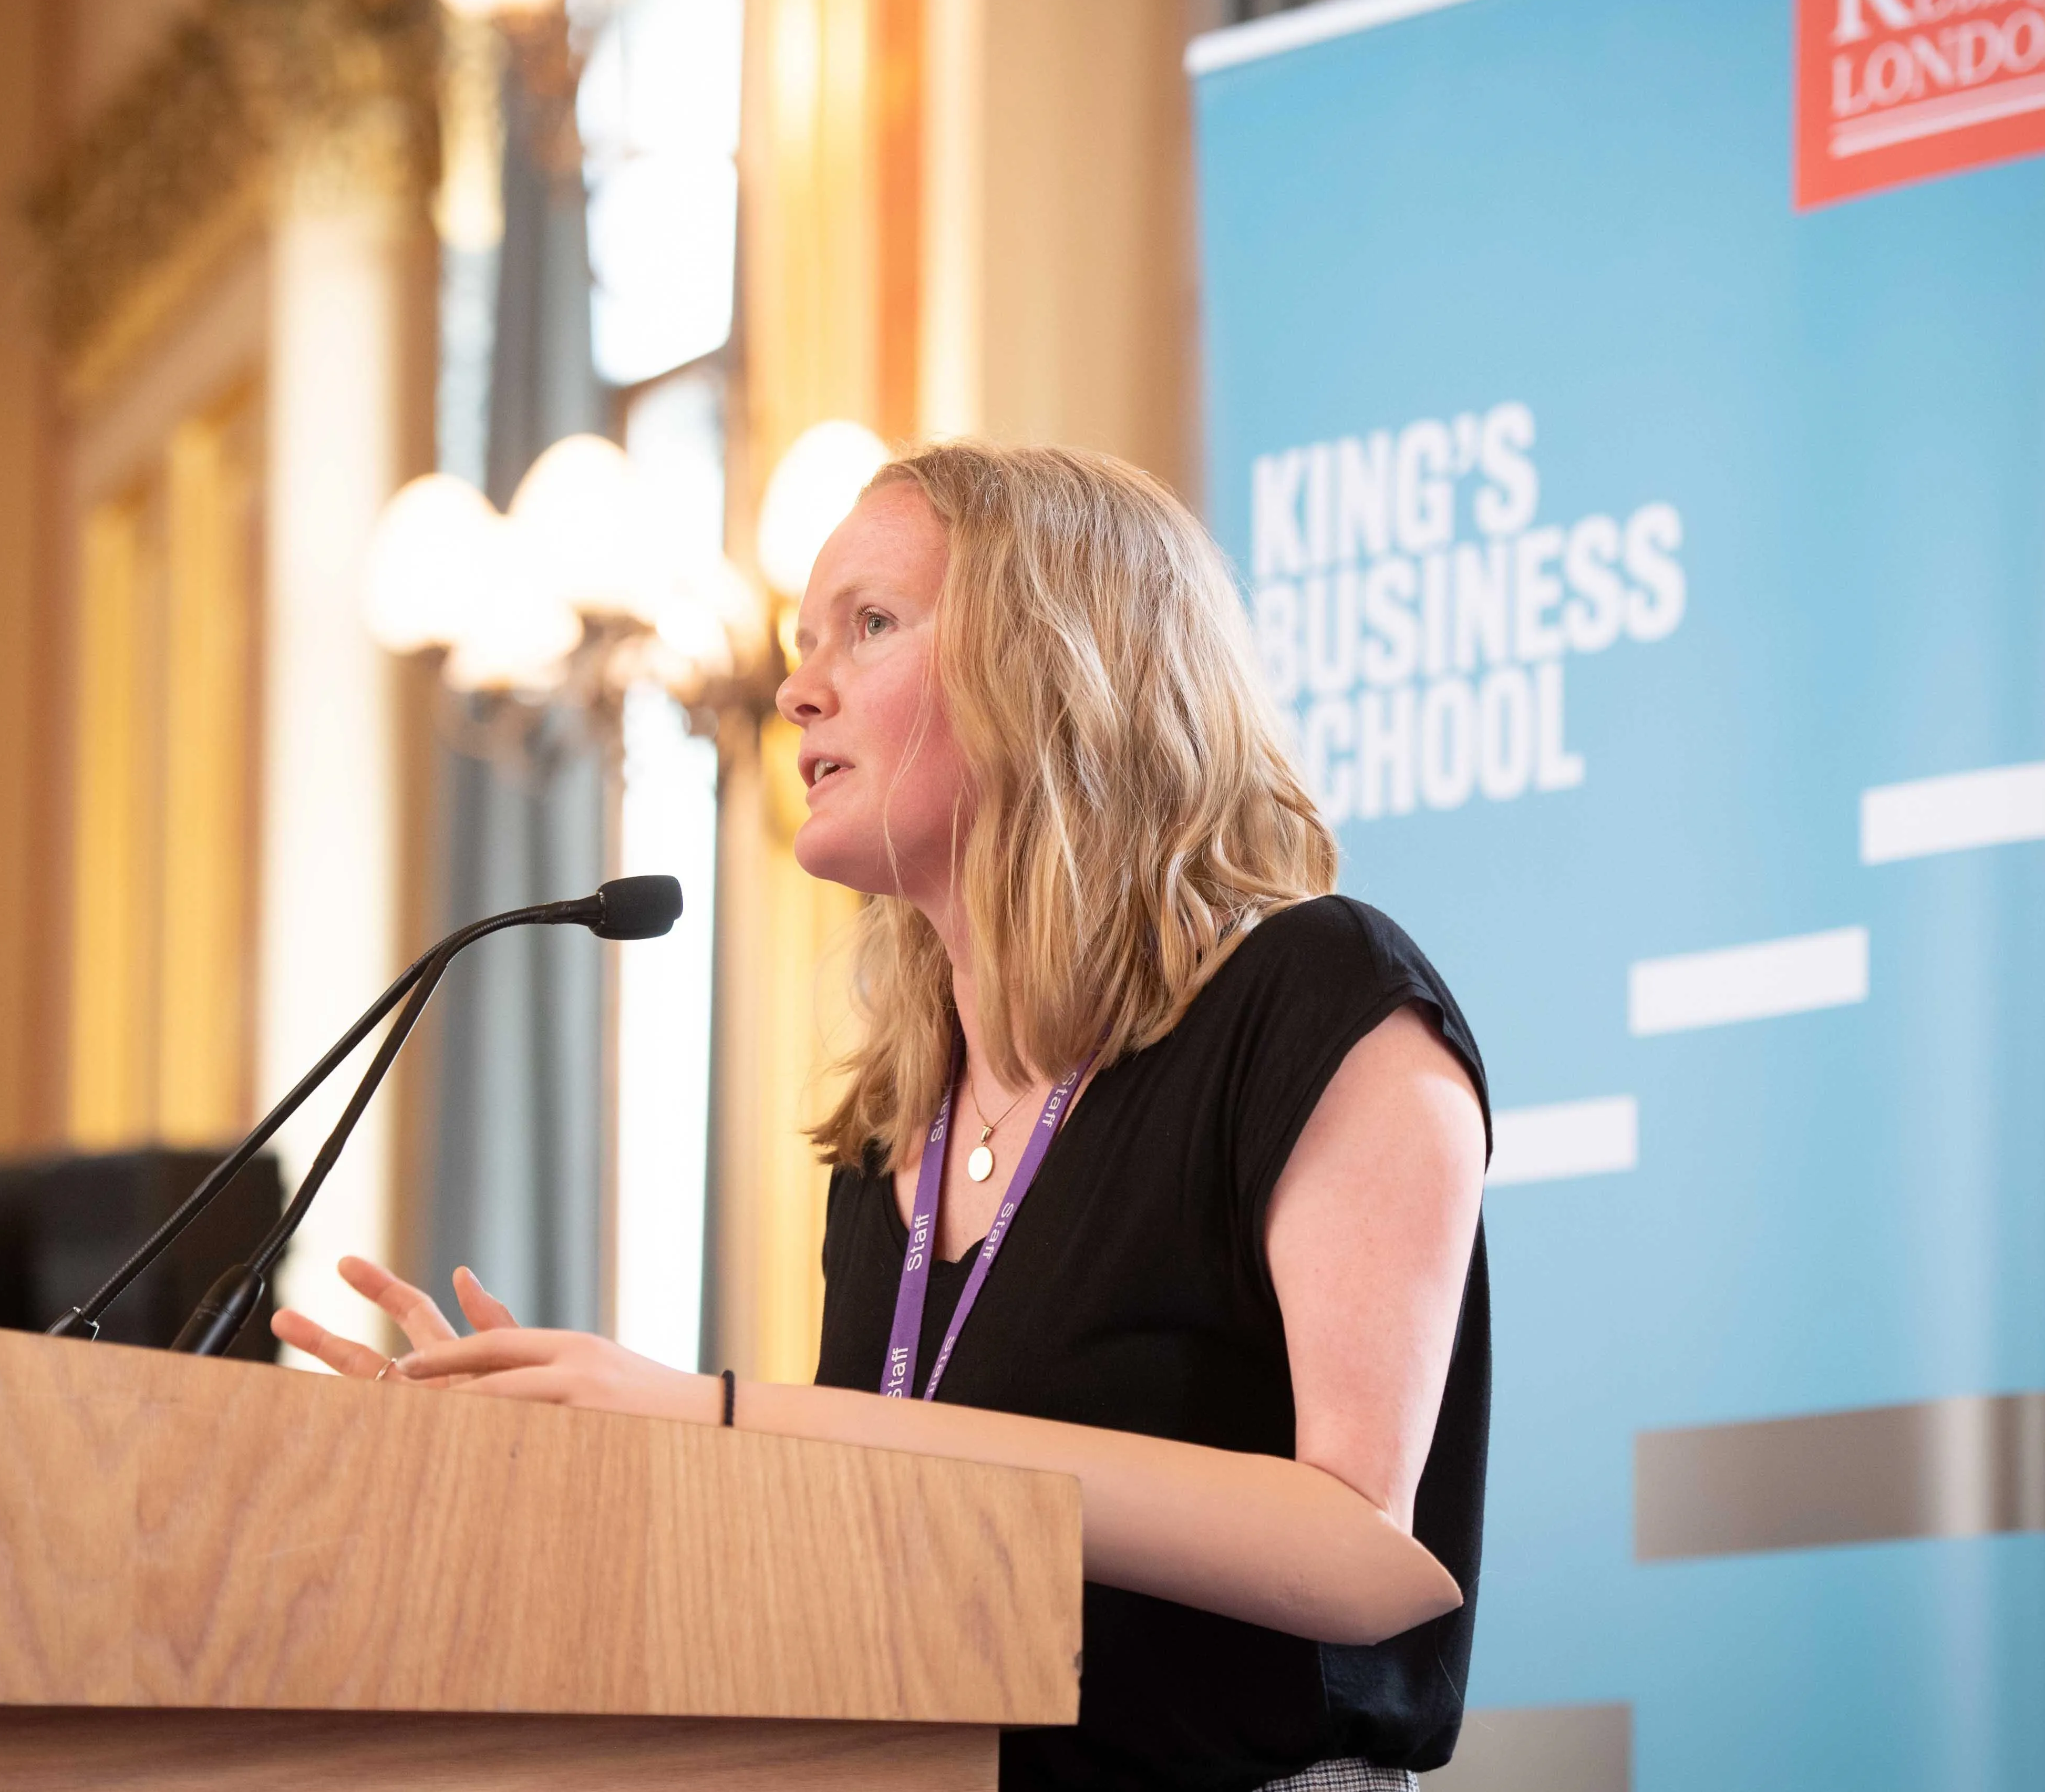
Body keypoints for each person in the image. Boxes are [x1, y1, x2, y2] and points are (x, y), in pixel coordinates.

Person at [277, 441, 1492, 1791]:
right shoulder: (888, 1134)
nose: (797, 690)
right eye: (801, 641)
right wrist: (574, 1483)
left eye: (869, 625)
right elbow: (854, 1562)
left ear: (1056, 671)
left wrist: (729, 1415)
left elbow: (1364, 1556)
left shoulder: (1315, 1000)